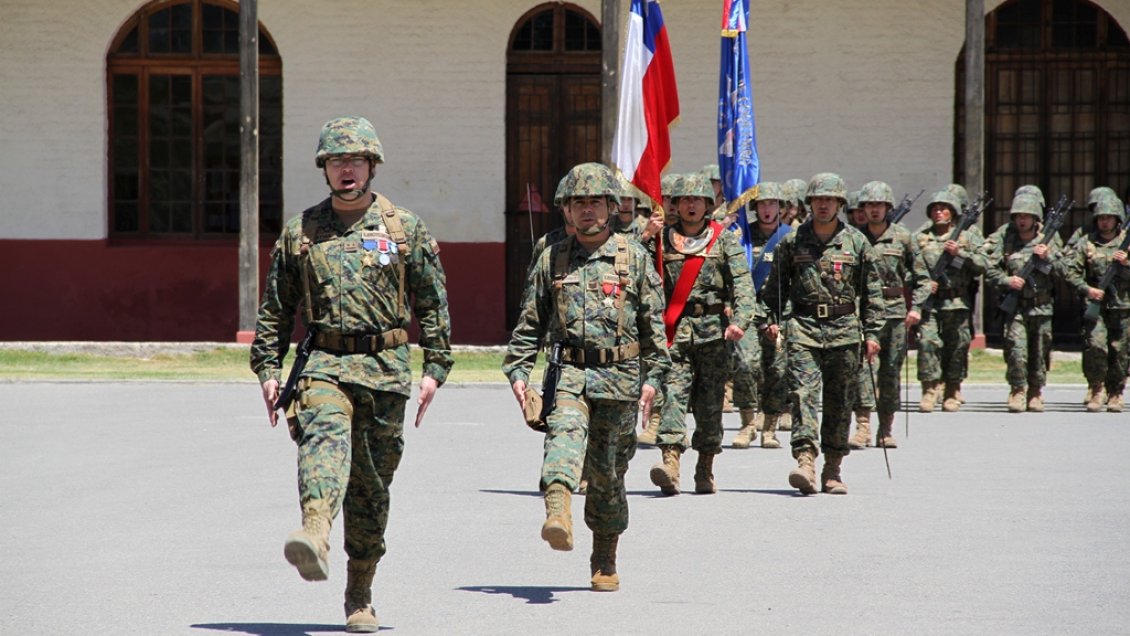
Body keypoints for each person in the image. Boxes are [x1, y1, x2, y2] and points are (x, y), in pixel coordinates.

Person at [250, 116, 452, 634]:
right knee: (323, 437)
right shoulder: (302, 232)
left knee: (370, 488)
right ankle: (315, 531)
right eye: (337, 161)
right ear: (324, 168)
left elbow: (432, 303)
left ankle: (359, 593)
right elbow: (275, 310)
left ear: (371, 166)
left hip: (386, 372)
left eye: (356, 160)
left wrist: (435, 368)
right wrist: (268, 368)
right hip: (324, 365)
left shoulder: (404, 229)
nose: (347, 169)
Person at [503, 162, 670, 592]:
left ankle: (604, 556)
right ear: (566, 210)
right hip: (570, 373)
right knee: (562, 437)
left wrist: (653, 379)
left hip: (620, 379)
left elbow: (654, 329)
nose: (588, 210)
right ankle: (557, 512)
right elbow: (530, 322)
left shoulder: (634, 258)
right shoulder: (552, 256)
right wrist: (519, 370)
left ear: (612, 207)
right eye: (578, 203)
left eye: (596, 201)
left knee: (608, 474)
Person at [759, 173, 883, 495]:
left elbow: (872, 292)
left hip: (845, 332)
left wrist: (872, 333)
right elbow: (775, 289)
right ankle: (806, 461)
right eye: (817, 200)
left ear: (840, 203)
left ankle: (833, 467)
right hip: (804, 328)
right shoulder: (792, 242)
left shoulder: (856, 242)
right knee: (803, 396)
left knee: (840, 401)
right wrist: (770, 320)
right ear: (810, 204)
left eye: (829, 200)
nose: (823, 205)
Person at [649, 174, 756, 495]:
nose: (691, 205)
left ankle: (705, 466)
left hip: (713, 336)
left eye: (697, 200)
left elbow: (743, 286)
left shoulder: (723, 240)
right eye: (685, 200)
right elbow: (639, 275)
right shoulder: (661, 240)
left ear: (708, 204)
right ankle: (670, 463)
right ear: (676, 205)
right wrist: (645, 237)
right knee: (672, 395)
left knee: (710, 404)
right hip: (674, 333)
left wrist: (740, 321)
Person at [849, 181, 929, 448]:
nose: (874, 210)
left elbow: (923, 278)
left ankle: (885, 428)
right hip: (863, 313)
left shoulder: (903, 237)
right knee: (863, 370)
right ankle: (862, 426)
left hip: (894, 313)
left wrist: (916, 307)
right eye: (869, 205)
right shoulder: (854, 237)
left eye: (879, 205)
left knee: (891, 372)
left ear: (888, 208)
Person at [984, 193, 1063, 412]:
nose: (1022, 220)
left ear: (1035, 218)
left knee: (1039, 352)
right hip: (1016, 307)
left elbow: (1065, 271)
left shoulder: (1049, 239)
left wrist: (1048, 257)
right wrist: (1007, 280)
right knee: (1016, 350)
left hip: (1042, 307)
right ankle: (1017, 390)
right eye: (1018, 215)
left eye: (1027, 216)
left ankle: (1035, 392)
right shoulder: (1006, 239)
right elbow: (989, 269)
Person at [912, 190, 986, 412]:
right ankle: (929, 389)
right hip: (930, 302)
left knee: (957, 347)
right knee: (927, 343)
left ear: (953, 212)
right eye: (935, 209)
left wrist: (960, 254)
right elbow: (906, 269)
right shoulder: (920, 238)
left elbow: (984, 265)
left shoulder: (967, 236)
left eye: (944, 209)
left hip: (957, 302)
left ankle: (952, 390)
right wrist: (923, 283)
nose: (938, 212)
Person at [733, 181, 791, 449]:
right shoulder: (742, 238)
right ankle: (747, 424)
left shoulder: (790, 238)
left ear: (781, 207)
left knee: (777, 370)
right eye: (762, 204)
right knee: (745, 365)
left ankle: (770, 427)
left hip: (779, 314)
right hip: (748, 313)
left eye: (772, 204)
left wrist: (778, 319)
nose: (767, 209)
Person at [1060, 195, 1129, 412]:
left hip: (1123, 307)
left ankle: (1116, 392)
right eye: (1101, 218)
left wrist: (1126, 263)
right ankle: (1097, 389)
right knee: (1095, 346)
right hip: (1096, 306)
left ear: (1117, 219)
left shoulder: (1127, 243)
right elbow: (1070, 272)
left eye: (1109, 218)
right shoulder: (1086, 242)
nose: (1105, 222)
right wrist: (1087, 289)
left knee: (1120, 350)